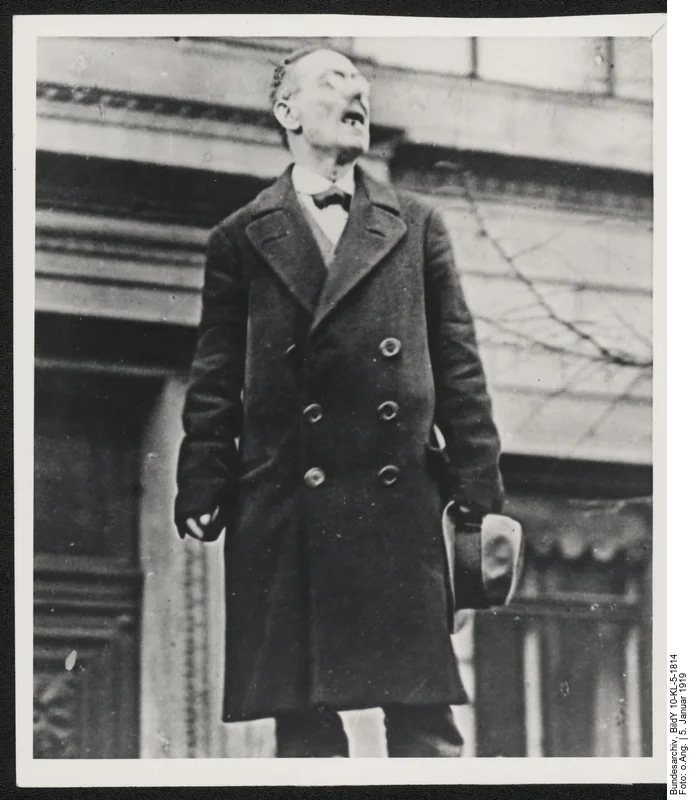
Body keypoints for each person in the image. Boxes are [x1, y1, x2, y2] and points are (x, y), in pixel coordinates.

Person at [175, 46, 505, 758]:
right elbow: (214, 374)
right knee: (304, 731)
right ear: (287, 111)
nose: (358, 94)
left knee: (424, 722)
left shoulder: (416, 224)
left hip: (399, 504)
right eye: (334, 82)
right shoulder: (238, 238)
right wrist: (203, 476)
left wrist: (478, 490)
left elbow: (458, 365)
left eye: (362, 85)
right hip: (290, 504)